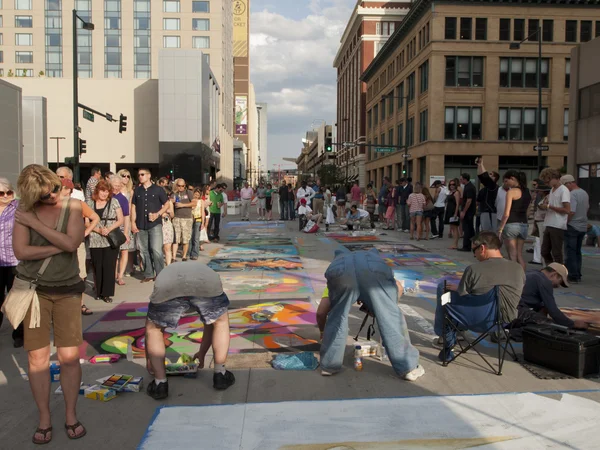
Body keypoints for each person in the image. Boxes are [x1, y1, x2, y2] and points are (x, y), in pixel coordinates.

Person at [13, 164, 87, 443]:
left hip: (68, 290)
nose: (54, 195)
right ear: (32, 195)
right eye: (46, 194)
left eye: (56, 187)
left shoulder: (74, 206)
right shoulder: (24, 211)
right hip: (34, 291)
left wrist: (36, 227)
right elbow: (21, 251)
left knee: (69, 357)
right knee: (37, 358)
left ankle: (70, 414)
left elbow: (74, 242)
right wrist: (60, 243)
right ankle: (44, 417)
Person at [318, 248, 424, 381]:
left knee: (337, 318)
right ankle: (408, 368)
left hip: (340, 272)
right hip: (373, 271)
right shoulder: (375, 260)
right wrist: (384, 306)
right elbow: (400, 288)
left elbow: (322, 312)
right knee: (391, 317)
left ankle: (328, 366)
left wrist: (323, 331)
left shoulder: (339, 261)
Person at [145, 263, 235, 399]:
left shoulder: (169, 271)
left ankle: (160, 384)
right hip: (206, 282)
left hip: (167, 284)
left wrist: (150, 360)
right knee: (220, 322)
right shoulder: (205, 271)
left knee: (154, 330)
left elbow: (150, 333)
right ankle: (220, 374)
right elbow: (210, 323)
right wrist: (202, 353)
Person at [432, 232, 525, 361]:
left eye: (474, 250)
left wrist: (457, 289)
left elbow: (463, 296)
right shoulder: (518, 268)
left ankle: (445, 336)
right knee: (492, 299)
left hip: (475, 320)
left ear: (482, 248)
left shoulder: (474, 269)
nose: (474, 255)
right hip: (504, 321)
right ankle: (496, 334)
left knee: (443, 288)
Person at [59, 179, 99, 315]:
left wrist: (86, 232)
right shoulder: (53, 205)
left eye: (65, 188)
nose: (63, 191)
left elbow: (95, 217)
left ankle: (80, 304)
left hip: (77, 243)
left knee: (80, 274)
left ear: (70, 190)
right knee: (61, 274)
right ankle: (62, 306)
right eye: (60, 188)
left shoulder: (77, 203)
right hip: (59, 244)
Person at [513, 264, 588, 335]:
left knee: (543, 311)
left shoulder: (533, 273)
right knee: (548, 327)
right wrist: (573, 324)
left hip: (510, 306)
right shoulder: (544, 280)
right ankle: (510, 333)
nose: (558, 286)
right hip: (514, 310)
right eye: (560, 281)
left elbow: (543, 305)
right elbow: (553, 311)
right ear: (553, 274)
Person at [87, 180, 123, 303]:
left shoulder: (114, 202)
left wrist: (108, 229)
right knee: (97, 266)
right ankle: (98, 291)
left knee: (109, 266)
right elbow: (87, 222)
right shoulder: (90, 203)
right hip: (95, 238)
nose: (104, 193)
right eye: (102, 190)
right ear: (97, 191)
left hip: (110, 237)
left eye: (107, 191)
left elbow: (120, 219)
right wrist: (98, 230)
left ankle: (107, 293)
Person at [132, 168, 169, 282]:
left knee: (156, 249)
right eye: (139, 175)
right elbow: (133, 207)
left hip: (155, 224)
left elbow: (167, 204)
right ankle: (148, 274)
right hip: (140, 224)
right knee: (144, 250)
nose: (140, 177)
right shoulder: (137, 190)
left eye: (142, 174)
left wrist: (157, 214)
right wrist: (133, 222)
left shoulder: (158, 189)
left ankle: (160, 274)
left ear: (149, 175)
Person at [0, 178, 24, 347]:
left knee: (16, 299)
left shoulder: (18, 207)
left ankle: (19, 334)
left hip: (15, 260)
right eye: (2, 193)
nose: (6, 195)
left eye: (9, 192)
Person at [497, 170, 531, 271]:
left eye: (506, 181)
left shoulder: (511, 192)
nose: (505, 184)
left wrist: (500, 229)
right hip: (523, 224)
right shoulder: (527, 191)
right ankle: (523, 279)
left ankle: (514, 280)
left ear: (512, 179)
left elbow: (506, 213)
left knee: (512, 256)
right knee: (519, 255)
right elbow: (528, 211)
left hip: (511, 224)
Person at [539, 168, 571, 265]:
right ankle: (552, 270)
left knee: (556, 253)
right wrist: (546, 206)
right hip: (549, 222)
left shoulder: (563, 190)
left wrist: (549, 206)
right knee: (544, 251)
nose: (546, 183)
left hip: (557, 224)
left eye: (547, 181)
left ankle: (559, 274)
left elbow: (567, 210)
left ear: (554, 178)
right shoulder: (552, 189)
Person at [562, 175, 589, 283]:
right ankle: (577, 273)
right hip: (582, 225)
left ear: (569, 183)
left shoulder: (572, 194)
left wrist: (566, 222)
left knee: (570, 251)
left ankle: (572, 275)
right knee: (577, 251)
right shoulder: (584, 193)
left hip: (573, 225)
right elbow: (587, 208)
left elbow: (571, 211)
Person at [116, 169, 136, 279]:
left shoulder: (130, 191)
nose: (126, 178)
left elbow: (130, 208)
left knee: (126, 248)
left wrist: (132, 222)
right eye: (124, 176)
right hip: (114, 221)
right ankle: (115, 271)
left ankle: (123, 272)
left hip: (126, 220)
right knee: (115, 249)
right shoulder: (114, 190)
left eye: (128, 176)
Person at [171, 178, 196, 262]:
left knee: (186, 238)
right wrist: (171, 202)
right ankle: (173, 257)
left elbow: (194, 203)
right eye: (179, 186)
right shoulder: (174, 194)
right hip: (176, 218)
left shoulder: (188, 192)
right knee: (176, 239)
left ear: (185, 185)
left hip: (187, 218)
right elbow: (169, 203)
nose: (181, 187)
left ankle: (184, 256)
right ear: (176, 185)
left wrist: (183, 205)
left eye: (183, 186)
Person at [476, 157, 500, 232]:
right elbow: (481, 177)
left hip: (492, 212)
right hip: (484, 211)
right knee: (485, 232)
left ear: (495, 178)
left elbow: (485, 177)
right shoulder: (485, 188)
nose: (489, 175)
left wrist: (481, 164)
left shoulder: (494, 187)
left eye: (491, 174)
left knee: (490, 233)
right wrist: (479, 165)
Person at [530, 185, 550, 266]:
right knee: (539, 242)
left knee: (542, 243)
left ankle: (544, 263)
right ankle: (542, 261)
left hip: (543, 221)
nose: (538, 192)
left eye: (539, 191)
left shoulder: (547, 198)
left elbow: (545, 208)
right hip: (539, 221)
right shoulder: (543, 198)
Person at [458, 173, 477, 252]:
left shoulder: (469, 187)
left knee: (467, 228)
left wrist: (464, 211)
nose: (460, 180)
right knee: (470, 228)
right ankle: (473, 244)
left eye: (461, 179)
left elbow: (469, 201)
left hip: (469, 211)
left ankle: (466, 246)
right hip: (469, 211)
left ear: (465, 179)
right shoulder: (467, 186)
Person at [188, 189, 207, 260]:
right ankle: (188, 252)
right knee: (189, 237)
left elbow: (202, 212)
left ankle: (195, 253)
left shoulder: (201, 201)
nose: (196, 196)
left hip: (198, 219)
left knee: (196, 237)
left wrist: (203, 222)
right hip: (190, 219)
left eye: (198, 195)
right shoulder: (190, 200)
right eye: (195, 194)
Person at [444, 179, 461, 249]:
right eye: (450, 184)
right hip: (449, 211)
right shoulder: (450, 192)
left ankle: (455, 244)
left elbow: (457, 204)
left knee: (455, 228)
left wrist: (456, 213)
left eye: (453, 184)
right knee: (452, 228)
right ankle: (454, 243)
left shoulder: (456, 193)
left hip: (454, 211)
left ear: (455, 185)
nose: (452, 186)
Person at [161, 186, 175, 266]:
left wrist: (169, 212)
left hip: (167, 225)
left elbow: (173, 215)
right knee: (158, 248)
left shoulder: (169, 202)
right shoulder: (157, 202)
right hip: (159, 225)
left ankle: (168, 265)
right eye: (167, 194)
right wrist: (161, 214)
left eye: (170, 195)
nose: (169, 196)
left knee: (167, 247)